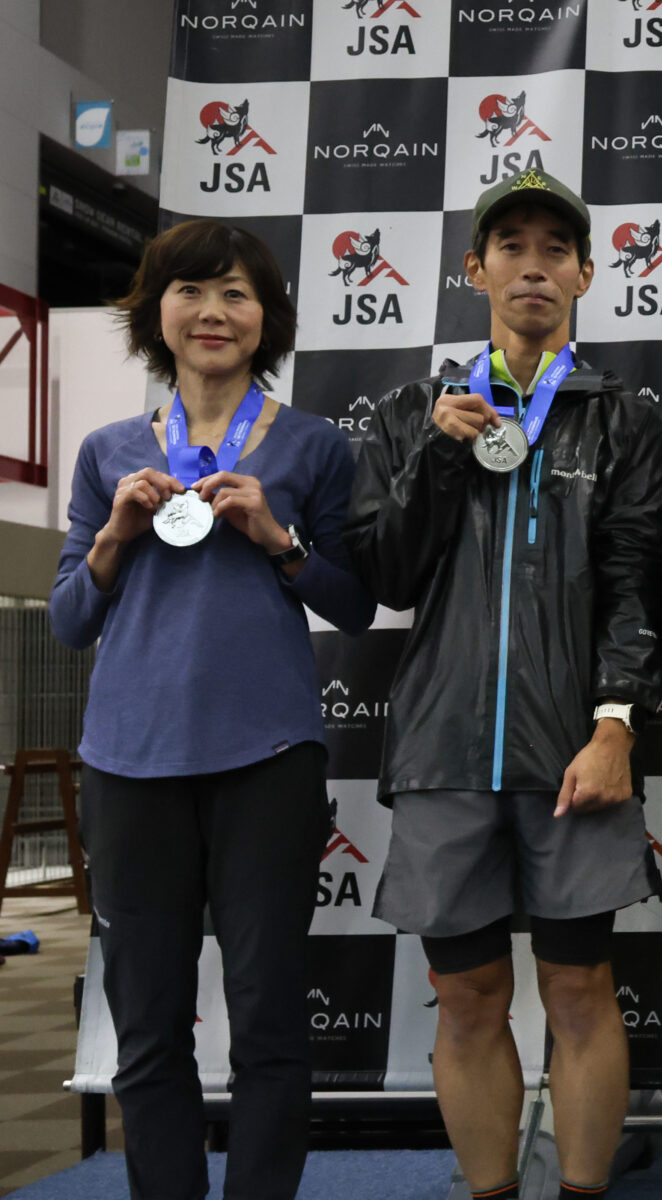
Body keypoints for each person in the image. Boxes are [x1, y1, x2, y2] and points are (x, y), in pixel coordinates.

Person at [343, 170, 662, 1200]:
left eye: (554, 248)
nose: (533, 265)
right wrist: (438, 459)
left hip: (572, 751)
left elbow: (635, 585)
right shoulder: (410, 413)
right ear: (475, 268)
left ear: (584, 273)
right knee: (468, 996)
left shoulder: (624, 418)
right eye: (511, 246)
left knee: (578, 989)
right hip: (443, 754)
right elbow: (385, 576)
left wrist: (614, 726)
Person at [49, 219, 375, 1199]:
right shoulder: (108, 452)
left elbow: (356, 603)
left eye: (237, 293)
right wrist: (114, 536)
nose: (213, 312)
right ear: (157, 313)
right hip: (128, 763)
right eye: (191, 290)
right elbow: (68, 620)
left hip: (267, 761)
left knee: (268, 1017)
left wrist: (278, 538)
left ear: (266, 317)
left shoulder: (315, 445)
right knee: (148, 1025)